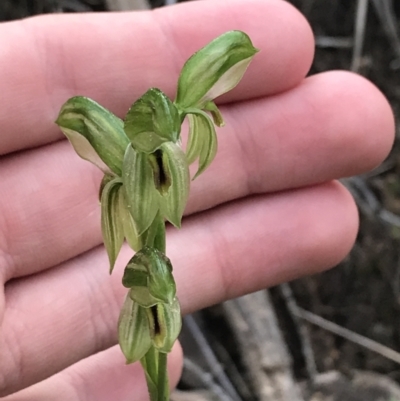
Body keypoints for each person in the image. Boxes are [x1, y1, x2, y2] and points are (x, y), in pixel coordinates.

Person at [0, 0, 395, 399]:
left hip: (145, 196)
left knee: (156, 343)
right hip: (133, 193)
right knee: (148, 338)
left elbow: (163, 206)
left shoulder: (169, 150)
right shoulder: (135, 170)